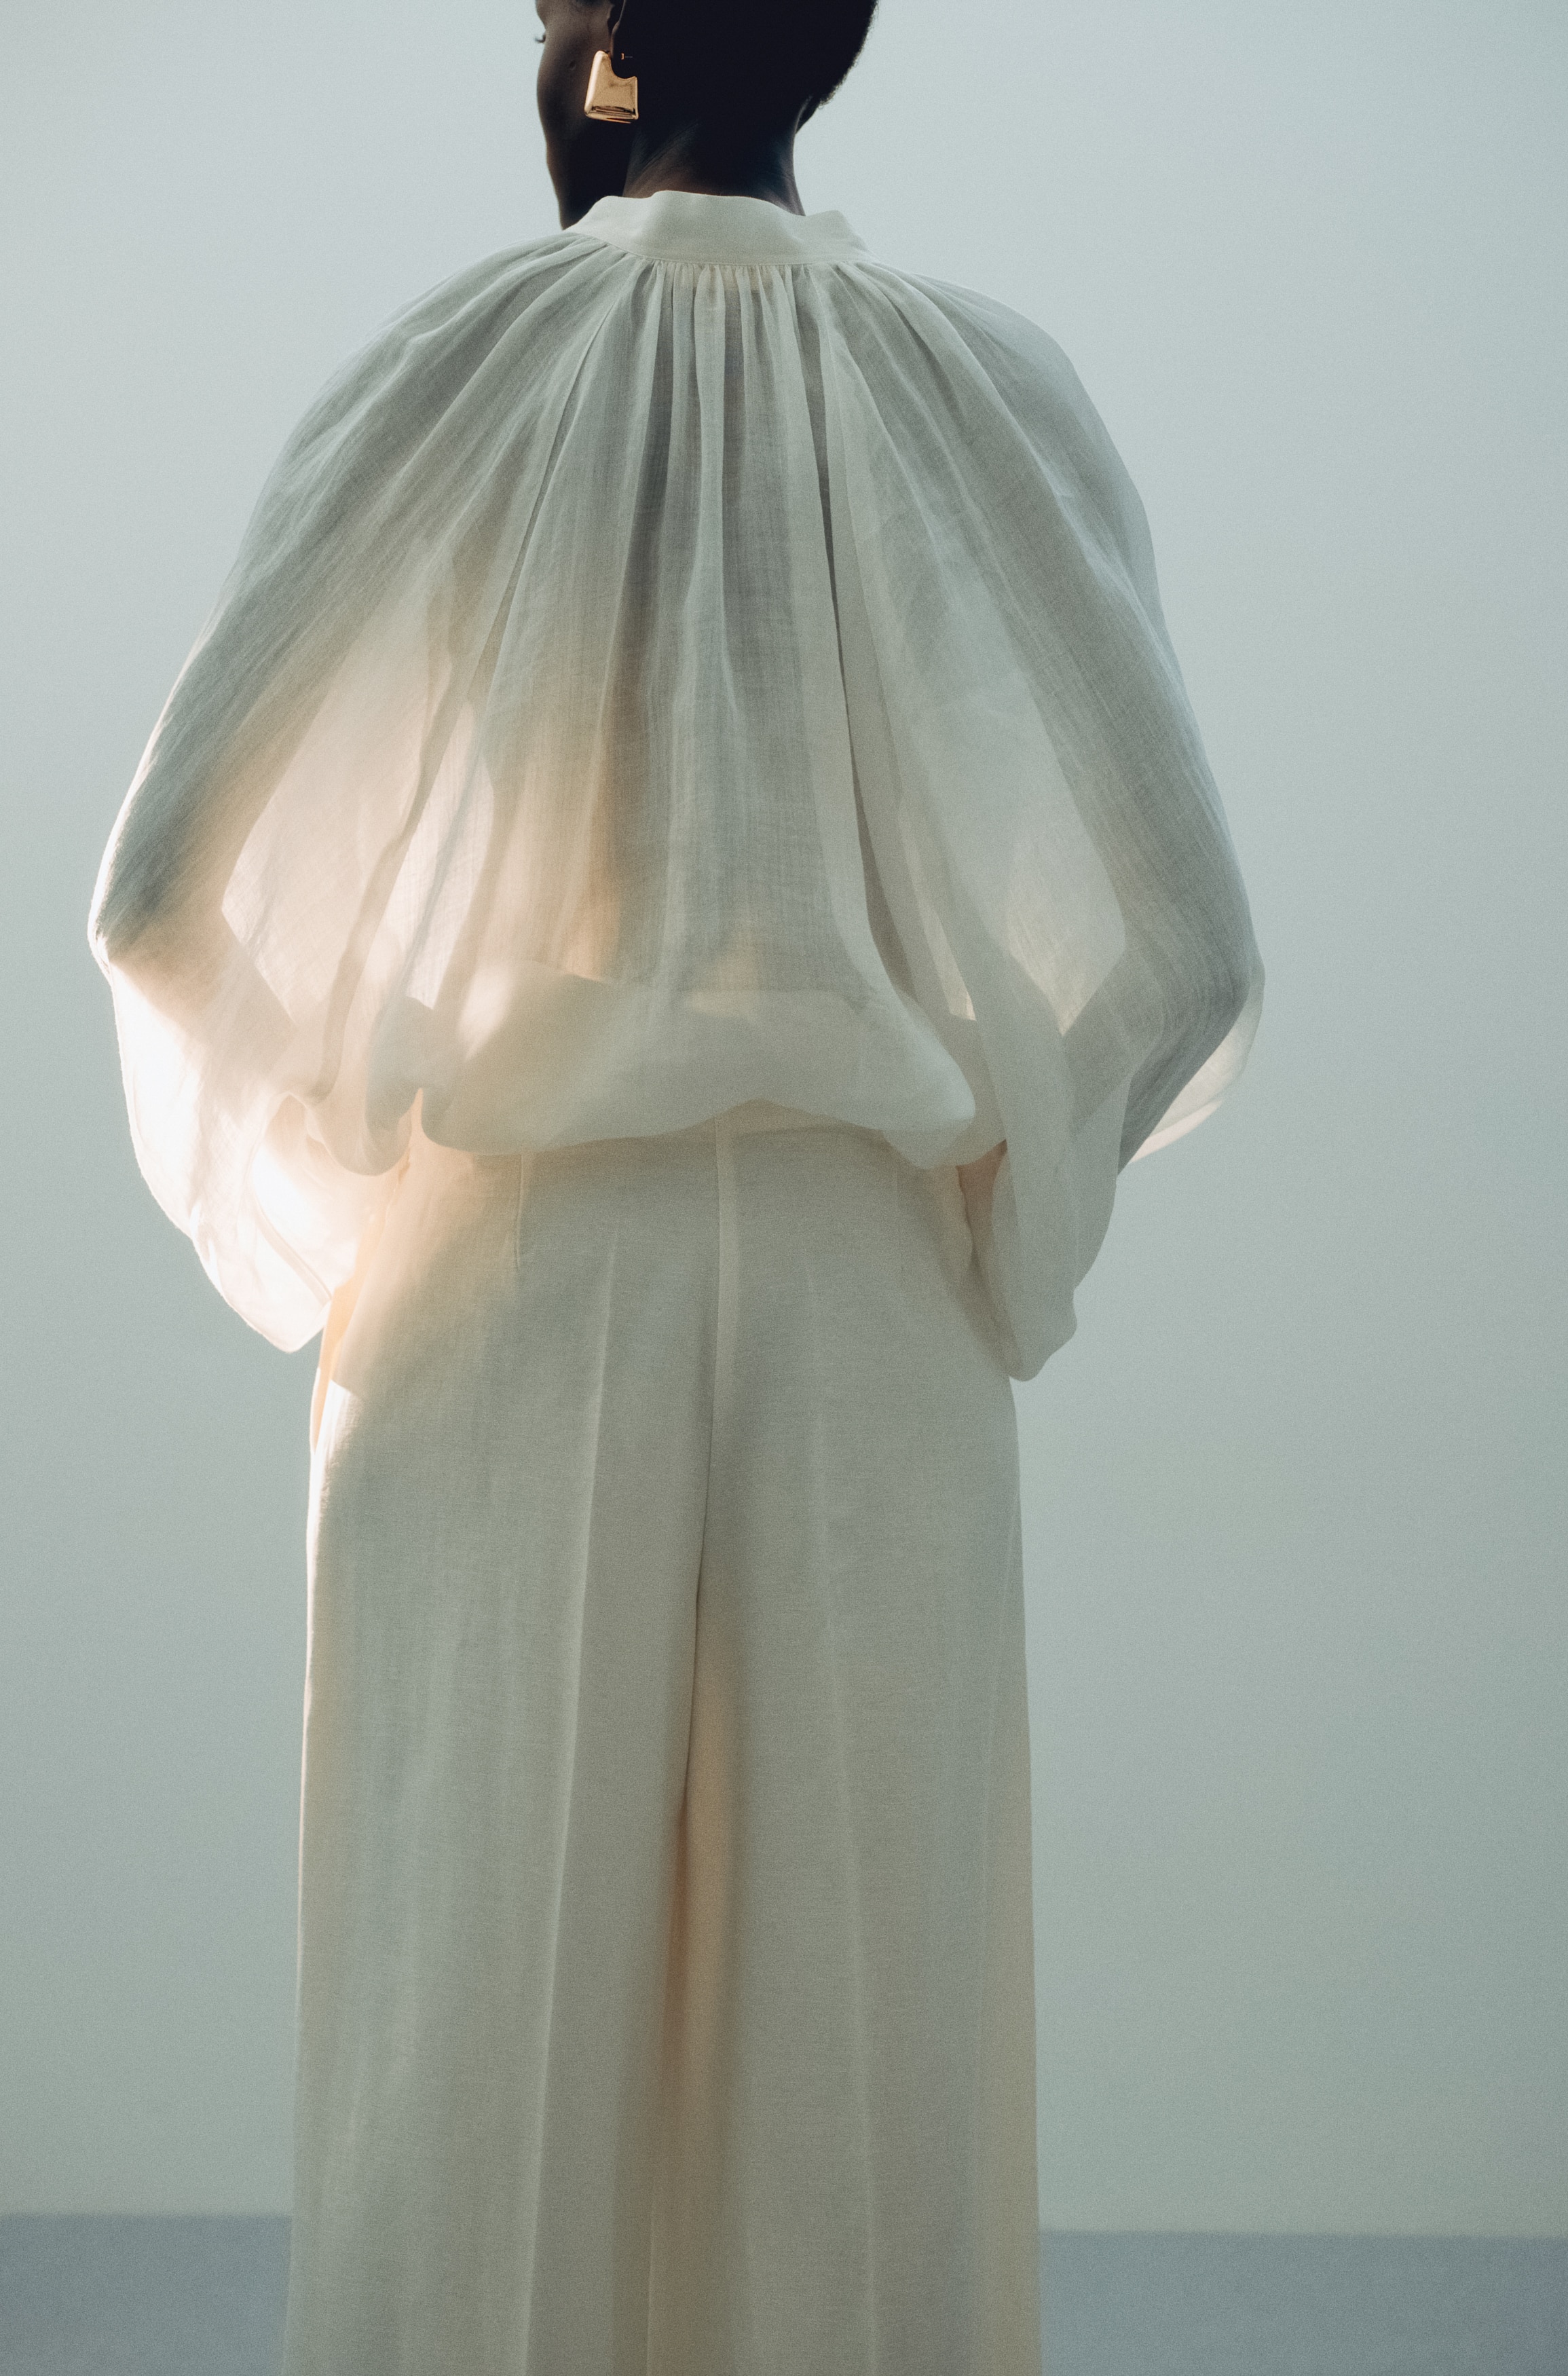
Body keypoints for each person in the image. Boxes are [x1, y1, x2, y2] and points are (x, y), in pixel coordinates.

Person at [88, 0, 1263, 2367]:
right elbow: (1190, 946)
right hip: (868, 1291)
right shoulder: (983, 395)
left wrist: (344, 1197)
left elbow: (162, 892)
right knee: (863, 2093)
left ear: (609, 44)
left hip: (506, 1280)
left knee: (469, 2073)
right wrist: (985, 1206)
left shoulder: (452, 375)